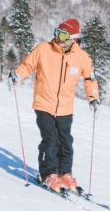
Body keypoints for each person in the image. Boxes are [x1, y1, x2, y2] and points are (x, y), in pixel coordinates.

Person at [15, 18, 98, 195]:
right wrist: (17, 76)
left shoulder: (82, 57)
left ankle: (64, 172)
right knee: (50, 140)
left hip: (65, 108)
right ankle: (48, 174)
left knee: (66, 142)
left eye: (62, 35)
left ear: (74, 38)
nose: (58, 38)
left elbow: (90, 78)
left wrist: (93, 98)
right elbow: (27, 65)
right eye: (57, 33)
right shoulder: (44, 49)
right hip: (44, 103)